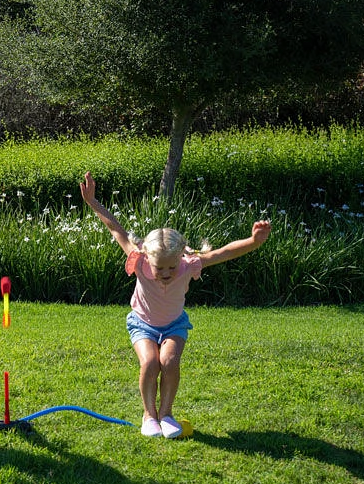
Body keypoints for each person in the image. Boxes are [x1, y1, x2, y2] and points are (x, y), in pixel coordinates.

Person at [80, 171, 272, 438]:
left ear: (181, 257)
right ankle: (149, 416)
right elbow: (116, 229)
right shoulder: (140, 261)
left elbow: (224, 252)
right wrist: (92, 202)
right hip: (142, 323)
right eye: (161, 267)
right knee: (150, 363)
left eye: (172, 266)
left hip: (174, 324)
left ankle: (166, 414)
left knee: (169, 361)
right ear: (148, 257)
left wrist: (253, 241)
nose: (167, 272)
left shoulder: (189, 264)